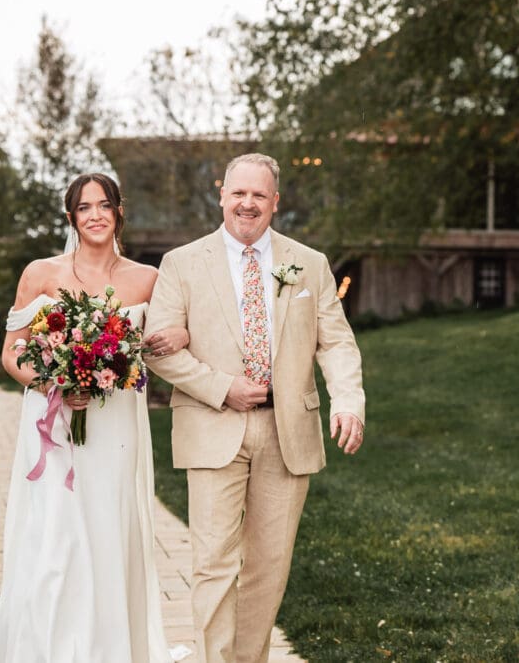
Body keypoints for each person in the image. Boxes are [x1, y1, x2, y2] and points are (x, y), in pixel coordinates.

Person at [0, 173, 190, 662]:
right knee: (56, 534)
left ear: (119, 212)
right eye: (84, 207)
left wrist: (180, 336)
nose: (95, 215)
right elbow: (12, 353)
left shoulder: (147, 278)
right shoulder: (40, 273)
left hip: (116, 422)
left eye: (104, 205)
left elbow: (176, 333)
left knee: (106, 528)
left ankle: (109, 646)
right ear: (71, 217)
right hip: (53, 422)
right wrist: (53, 382)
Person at [144, 153, 366, 663]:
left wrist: (348, 403)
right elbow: (160, 351)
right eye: (238, 193)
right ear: (221, 194)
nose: (248, 204)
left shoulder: (309, 263)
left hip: (287, 433)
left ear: (275, 202)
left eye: (259, 195)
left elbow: (336, 343)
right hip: (211, 425)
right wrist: (224, 388)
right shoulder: (182, 262)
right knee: (214, 564)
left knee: (269, 566)